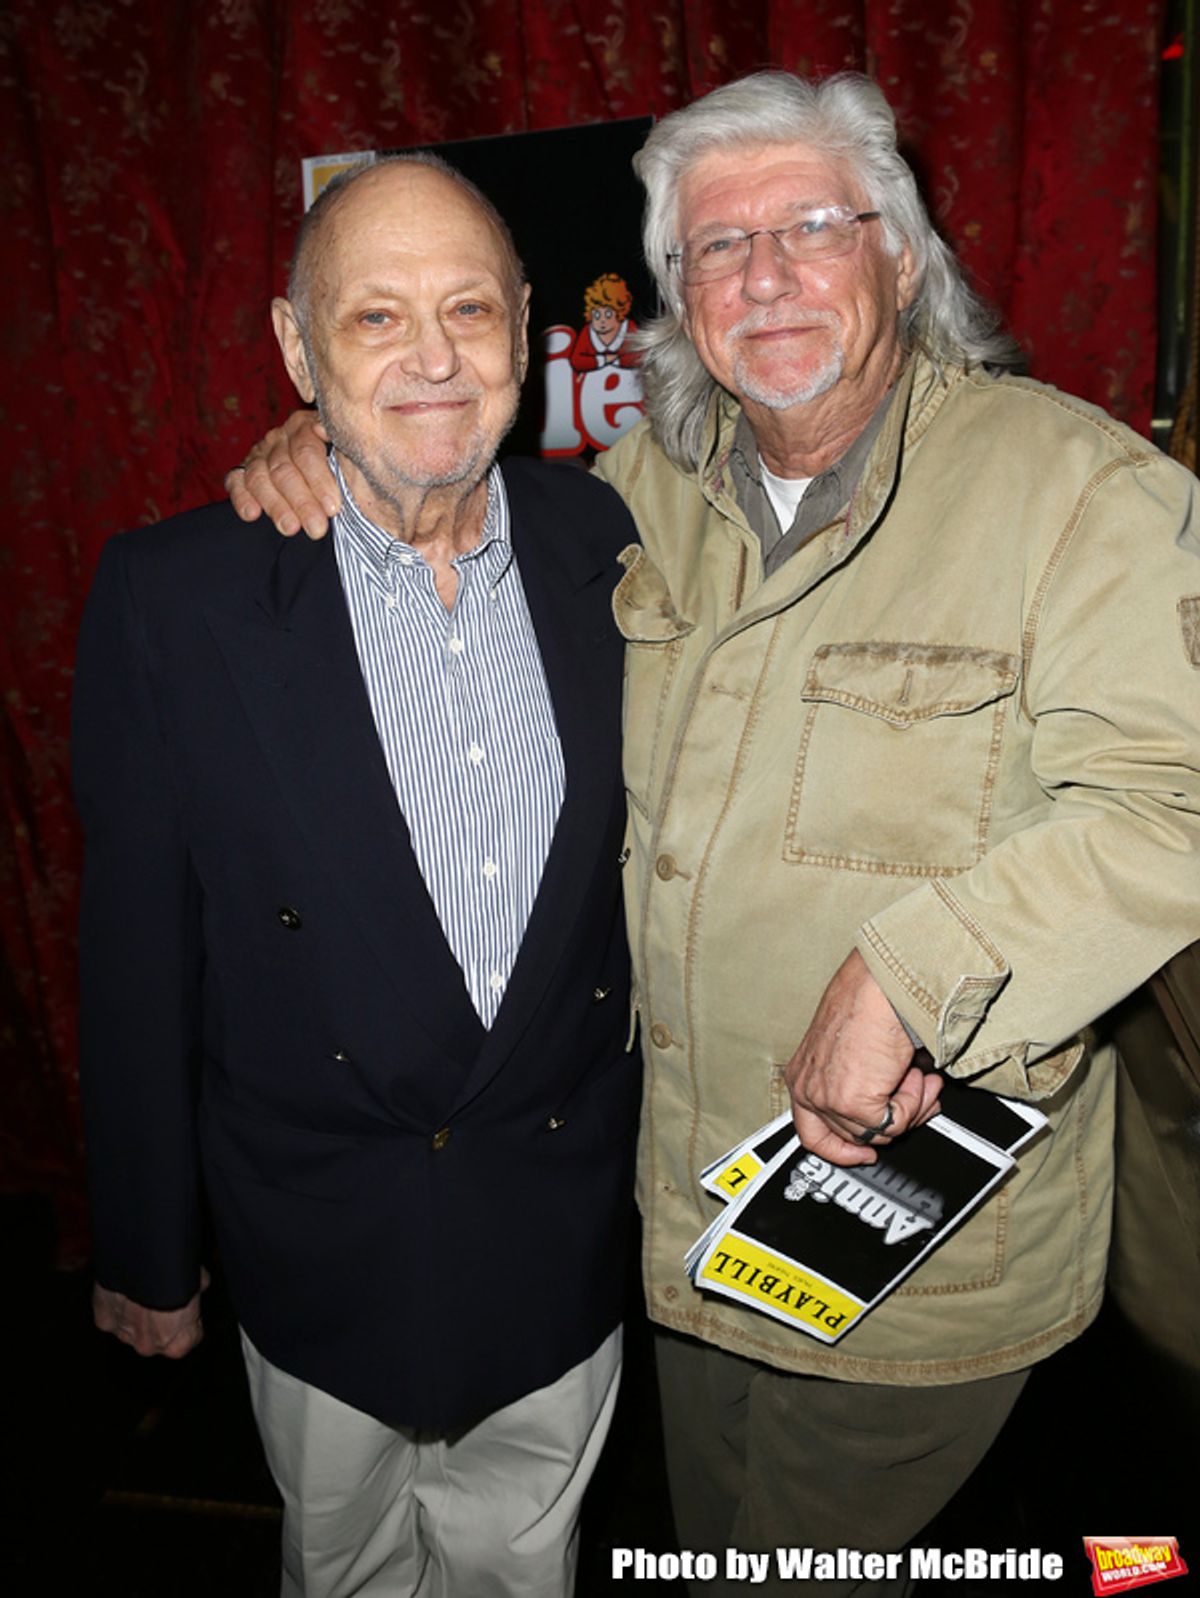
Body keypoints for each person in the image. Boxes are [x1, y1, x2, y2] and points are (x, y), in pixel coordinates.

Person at [228, 72, 1200, 1593]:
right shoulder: (643, 492)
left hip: (912, 1249)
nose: (766, 277)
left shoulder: (1076, 494)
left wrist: (911, 972)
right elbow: (445, 518)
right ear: (672, 299)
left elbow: (1174, 807)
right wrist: (318, 459)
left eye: (813, 227)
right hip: (682, 1229)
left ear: (904, 253)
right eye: (715, 250)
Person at [73, 152, 642, 1598]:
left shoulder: (622, 546)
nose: (436, 357)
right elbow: (137, 949)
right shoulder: (175, 594)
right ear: (293, 345)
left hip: (557, 1230)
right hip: (315, 1248)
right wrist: (147, 1246)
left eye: (467, 308)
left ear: (527, 324)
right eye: (376, 319)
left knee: (529, 1565)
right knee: (341, 1569)